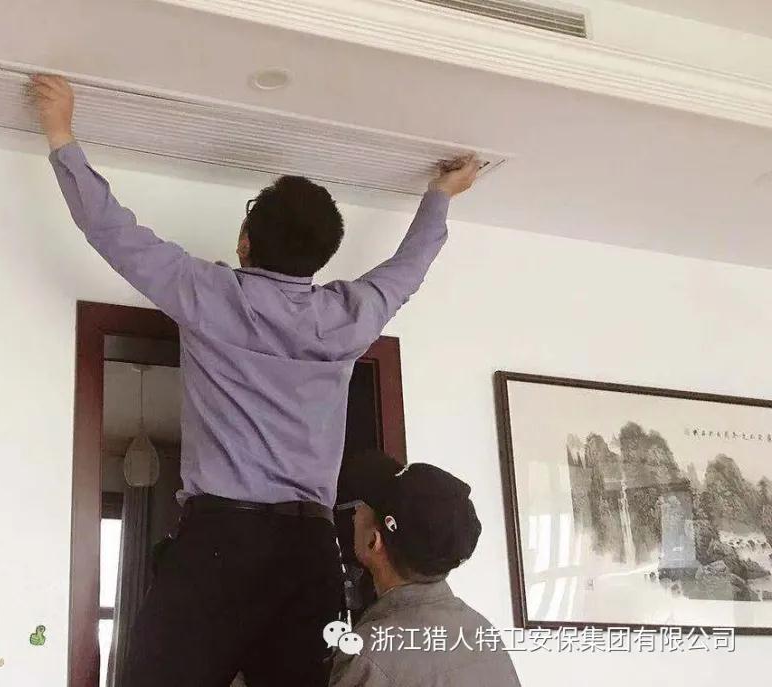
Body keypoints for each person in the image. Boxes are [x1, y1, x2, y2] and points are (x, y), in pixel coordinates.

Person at [31, 74, 480, 687]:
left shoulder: (208, 294)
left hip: (219, 541)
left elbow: (112, 230)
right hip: (308, 551)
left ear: (245, 241)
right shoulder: (348, 316)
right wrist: (440, 195)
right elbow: (409, 268)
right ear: (322, 258)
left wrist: (60, 131)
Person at [330, 450, 521, 687]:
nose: (355, 514)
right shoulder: (481, 633)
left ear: (373, 541)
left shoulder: (368, 657)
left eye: (361, 506)